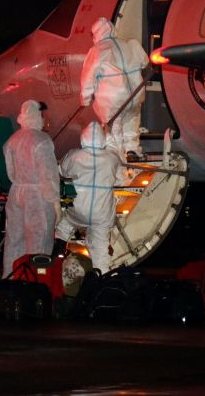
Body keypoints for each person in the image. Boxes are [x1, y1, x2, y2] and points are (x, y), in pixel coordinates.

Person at [2, 100, 60, 277]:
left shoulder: (12, 140)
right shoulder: (41, 141)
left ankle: (11, 280)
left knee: (14, 241)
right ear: (37, 116)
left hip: (16, 193)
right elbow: (48, 175)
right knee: (38, 242)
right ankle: (36, 283)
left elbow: (10, 171)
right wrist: (55, 202)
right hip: (38, 197)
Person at [55, 121, 121, 274]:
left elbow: (62, 171)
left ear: (83, 138)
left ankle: (59, 245)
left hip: (77, 211)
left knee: (64, 222)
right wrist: (109, 134)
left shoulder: (74, 156)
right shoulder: (111, 158)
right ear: (102, 139)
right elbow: (116, 160)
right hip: (101, 215)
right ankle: (102, 276)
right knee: (100, 250)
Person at [79, 17, 146, 162]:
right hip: (135, 95)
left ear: (96, 33)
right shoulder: (129, 45)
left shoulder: (97, 51)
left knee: (113, 129)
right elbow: (145, 61)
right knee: (131, 122)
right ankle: (132, 150)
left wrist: (85, 99)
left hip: (113, 99)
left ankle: (118, 160)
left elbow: (88, 78)